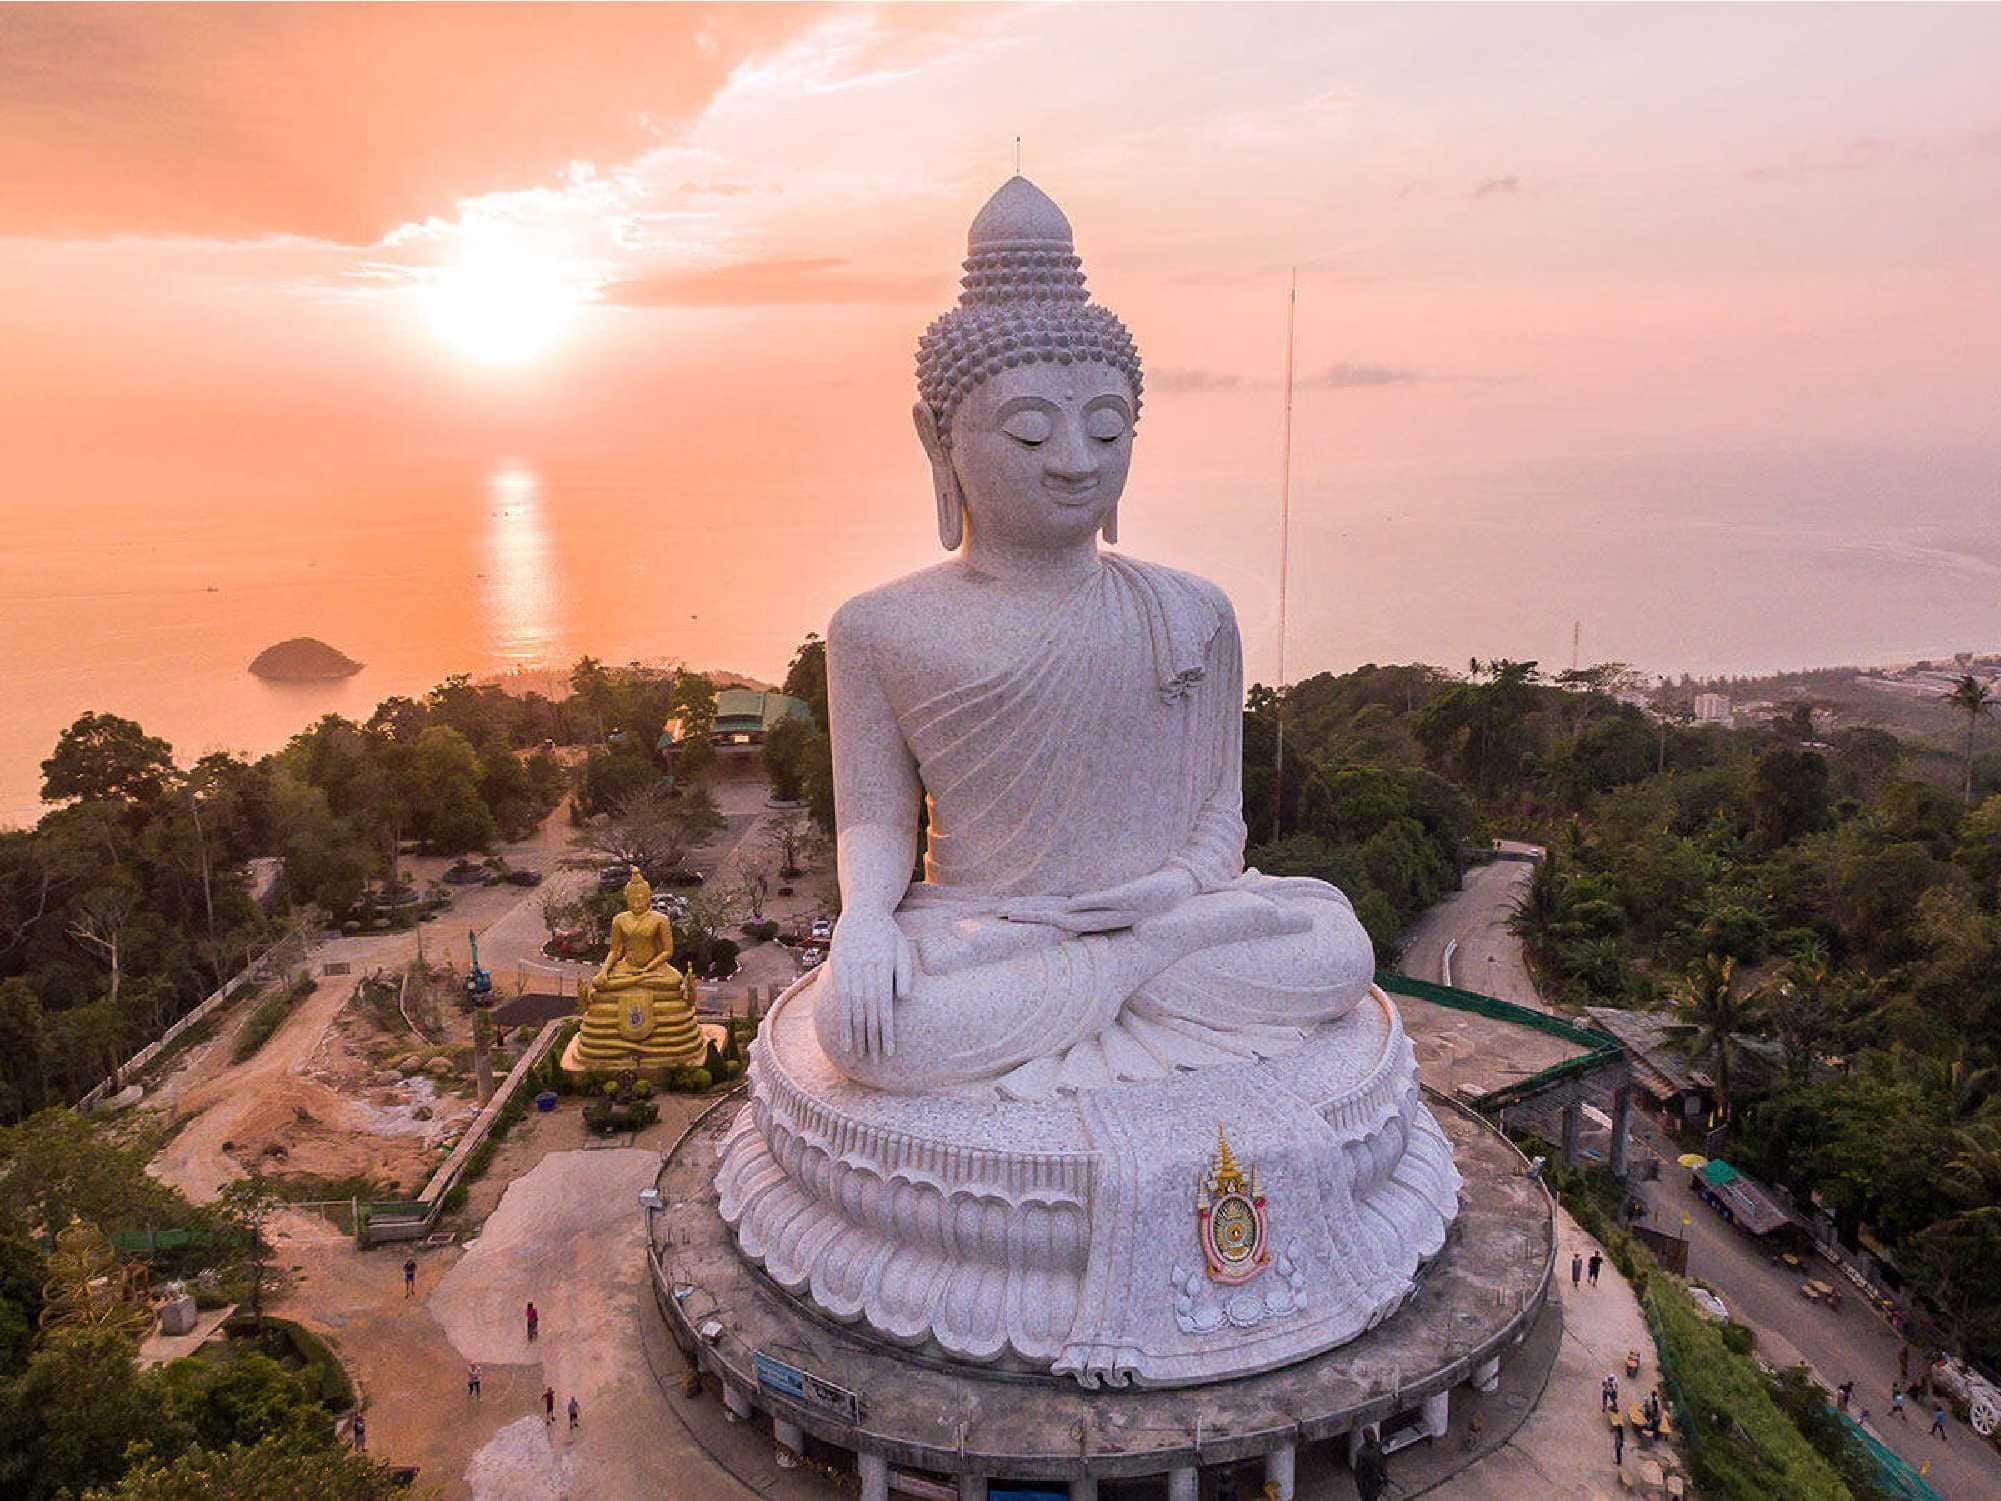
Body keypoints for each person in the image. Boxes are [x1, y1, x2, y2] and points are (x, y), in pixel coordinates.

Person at [1354, 1431, 1390, 1501]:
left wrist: (1385, 1477)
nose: (1371, 1439)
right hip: (1367, 1484)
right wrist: (1361, 1488)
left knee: (1374, 1497)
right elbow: (1358, 1473)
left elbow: (1382, 1463)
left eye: (1372, 1437)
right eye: (1369, 1438)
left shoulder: (1377, 1446)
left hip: (1376, 1481)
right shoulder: (1361, 1453)